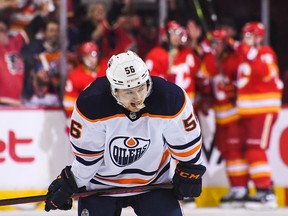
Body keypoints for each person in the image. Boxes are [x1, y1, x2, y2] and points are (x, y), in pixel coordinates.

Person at [44, 50, 206, 216]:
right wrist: (71, 182)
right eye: (128, 92)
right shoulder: (91, 104)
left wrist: (190, 168)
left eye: (141, 88)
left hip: (154, 183)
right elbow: (88, 159)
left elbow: (187, 145)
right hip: (101, 187)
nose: (137, 97)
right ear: (114, 90)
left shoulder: (171, 99)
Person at [221, 21, 283, 209]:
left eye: (249, 35)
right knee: (245, 150)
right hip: (246, 112)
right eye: (244, 35)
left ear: (258, 37)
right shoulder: (243, 56)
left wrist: (246, 50)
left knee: (256, 149)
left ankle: (266, 192)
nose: (245, 38)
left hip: (263, 110)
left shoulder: (265, 53)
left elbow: (263, 72)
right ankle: (242, 190)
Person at [63, 41, 99, 122]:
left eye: (93, 55)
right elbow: (69, 102)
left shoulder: (106, 71)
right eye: (87, 56)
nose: (91, 59)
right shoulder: (75, 75)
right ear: (82, 57)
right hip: (84, 119)